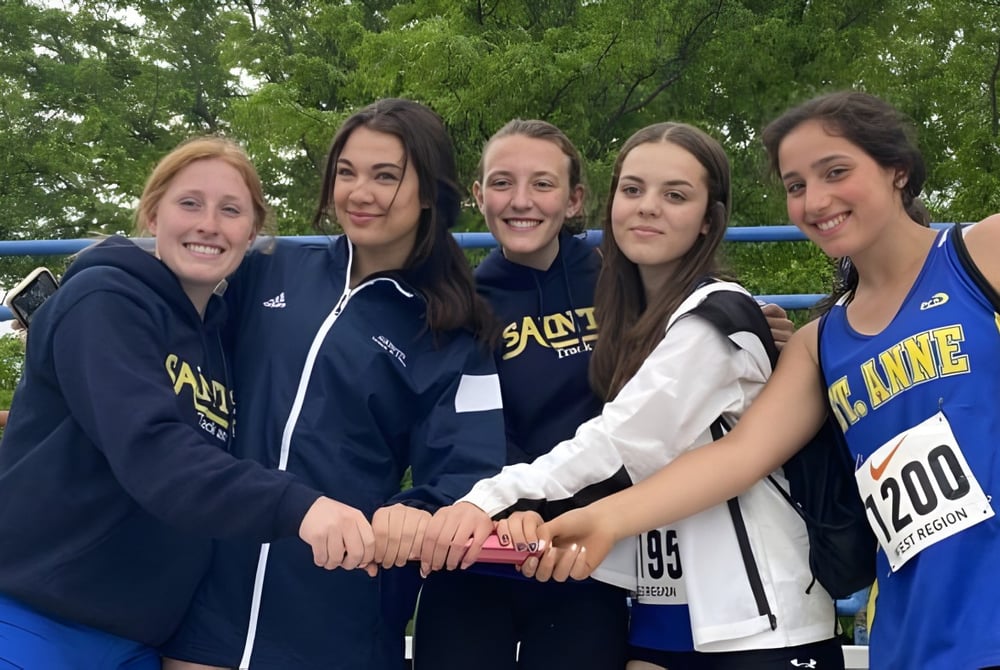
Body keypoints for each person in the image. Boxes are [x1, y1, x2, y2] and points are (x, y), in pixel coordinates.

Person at [533, 92, 1000, 670]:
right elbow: (737, 455)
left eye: (835, 172)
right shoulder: (817, 343)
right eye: (796, 184)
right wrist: (606, 518)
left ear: (897, 170)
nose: (815, 199)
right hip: (914, 632)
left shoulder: (983, 254)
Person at [420, 122, 841, 669]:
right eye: (633, 189)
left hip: (756, 613)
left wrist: (488, 498)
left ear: (709, 219)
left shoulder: (716, 314)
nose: (647, 207)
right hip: (657, 601)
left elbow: (626, 437)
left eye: (675, 195)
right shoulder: (631, 314)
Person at [162, 99, 507, 670]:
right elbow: (171, 320)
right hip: (208, 602)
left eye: (385, 176)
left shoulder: (454, 332)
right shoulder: (268, 270)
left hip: (339, 612)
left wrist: (417, 508)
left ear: (428, 193)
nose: (359, 192)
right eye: (346, 173)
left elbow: (470, 472)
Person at [0, 136, 363, 669]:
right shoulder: (104, 300)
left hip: (143, 637)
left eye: (231, 210)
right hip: (34, 617)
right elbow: (152, 449)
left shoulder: (219, 338)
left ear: (252, 232)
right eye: (190, 203)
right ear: (152, 215)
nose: (209, 224)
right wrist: (300, 506)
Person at [411, 119, 630, 670]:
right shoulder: (459, 301)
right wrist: (510, 511)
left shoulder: (623, 285)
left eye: (543, 184)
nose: (521, 201)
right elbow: (461, 428)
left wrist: (761, 323)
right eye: (503, 183)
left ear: (575, 199)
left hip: (582, 553)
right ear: (480, 196)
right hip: (481, 546)